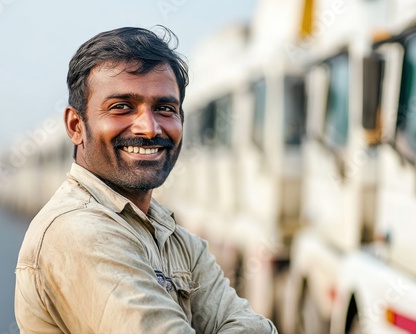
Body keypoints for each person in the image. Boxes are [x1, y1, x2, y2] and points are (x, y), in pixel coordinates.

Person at [14, 26, 278, 333]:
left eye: (164, 109)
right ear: (76, 126)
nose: (149, 128)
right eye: (122, 107)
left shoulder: (175, 238)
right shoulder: (77, 232)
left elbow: (255, 327)